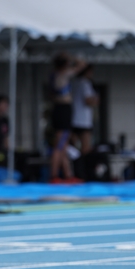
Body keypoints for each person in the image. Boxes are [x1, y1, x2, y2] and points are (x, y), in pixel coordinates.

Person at [50, 53, 86, 183]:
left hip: (59, 109)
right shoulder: (63, 74)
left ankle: (68, 174)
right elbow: (82, 65)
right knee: (60, 144)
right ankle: (53, 175)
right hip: (62, 110)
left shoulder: (54, 74)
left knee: (63, 144)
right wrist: (72, 58)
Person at [71, 64, 98, 155]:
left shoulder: (74, 82)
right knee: (86, 148)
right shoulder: (85, 83)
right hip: (83, 121)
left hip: (74, 119)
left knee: (74, 147)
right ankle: (84, 167)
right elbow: (88, 100)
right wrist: (95, 99)